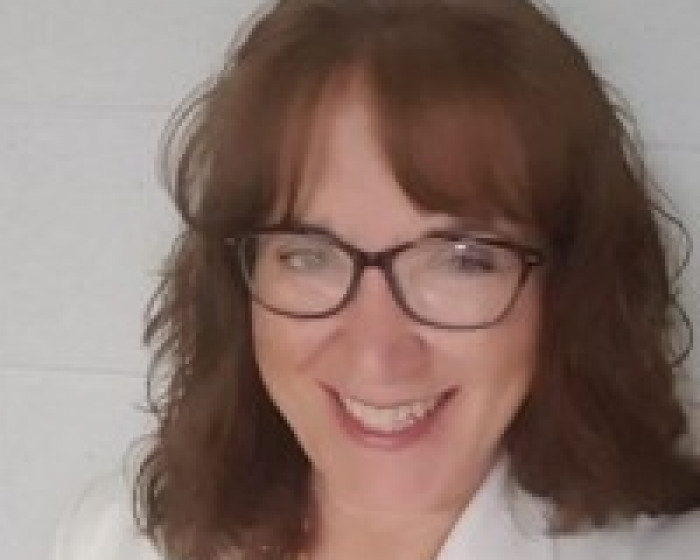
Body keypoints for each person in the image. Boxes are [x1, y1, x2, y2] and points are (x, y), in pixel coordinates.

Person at [53, 0, 700, 559]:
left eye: (462, 258)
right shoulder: (115, 541)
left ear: (570, 290)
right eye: (311, 255)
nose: (378, 353)